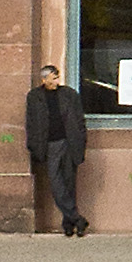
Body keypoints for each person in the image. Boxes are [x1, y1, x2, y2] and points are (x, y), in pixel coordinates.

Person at [27, 64, 90, 235]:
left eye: (57, 77)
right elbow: (31, 124)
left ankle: (68, 224)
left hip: (69, 143)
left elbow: (79, 120)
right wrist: (34, 146)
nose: (57, 81)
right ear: (44, 79)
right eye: (53, 78)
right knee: (56, 184)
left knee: (69, 184)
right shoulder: (34, 97)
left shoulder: (69, 94)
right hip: (50, 145)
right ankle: (78, 219)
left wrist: (81, 141)